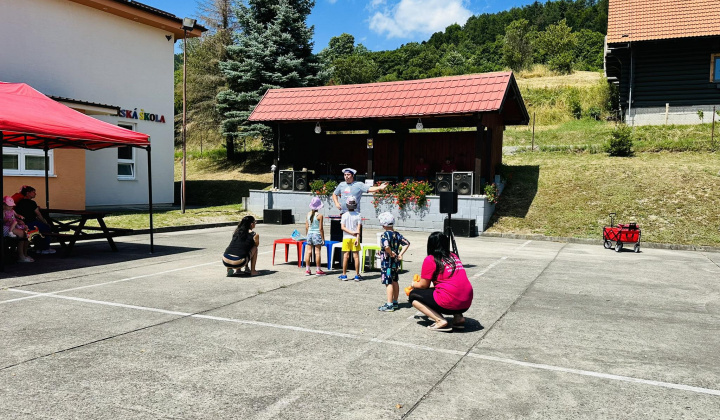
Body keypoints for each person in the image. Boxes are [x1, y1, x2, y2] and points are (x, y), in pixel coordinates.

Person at [408, 232, 473, 332]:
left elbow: (423, 285)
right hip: (466, 301)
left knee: (413, 296)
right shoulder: (453, 256)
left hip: (449, 301)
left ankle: (440, 320)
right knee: (449, 287)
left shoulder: (431, 259)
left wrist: (413, 284)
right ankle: (458, 318)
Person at [377, 212, 410, 312]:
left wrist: (390, 253)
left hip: (387, 262)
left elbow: (386, 246)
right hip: (395, 263)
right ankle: (395, 301)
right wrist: (400, 254)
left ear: (383, 225)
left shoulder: (384, 235)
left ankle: (389, 304)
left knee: (388, 282)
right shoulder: (397, 234)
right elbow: (407, 243)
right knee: (395, 280)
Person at [13, 186, 55, 254]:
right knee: (46, 228)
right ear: (28, 193)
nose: (35, 194)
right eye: (33, 192)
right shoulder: (31, 203)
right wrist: (45, 222)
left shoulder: (19, 202)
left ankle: (37, 248)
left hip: (22, 224)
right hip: (30, 223)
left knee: (38, 229)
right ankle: (44, 248)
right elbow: (38, 214)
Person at [3, 196, 33, 262]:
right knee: (21, 233)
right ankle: (21, 255)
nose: (11, 207)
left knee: (27, 232)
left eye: (11, 206)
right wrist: (8, 220)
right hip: (5, 227)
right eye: (9, 206)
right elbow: (3, 220)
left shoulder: (12, 211)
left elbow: (15, 217)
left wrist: (19, 221)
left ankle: (25, 253)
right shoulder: (3, 212)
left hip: (13, 225)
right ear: (4, 205)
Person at [339, 196, 362, 281]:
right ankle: (357, 274)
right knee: (356, 256)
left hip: (346, 238)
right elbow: (358, 229)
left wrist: (350, 232)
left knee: (346, 256)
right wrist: (357, 237)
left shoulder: (344, 215)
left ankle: (344, 274)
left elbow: (342, 227)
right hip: (355, 237)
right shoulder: (358, 215)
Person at [304, 197, 327, 276]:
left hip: (309, 234)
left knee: (308, 252)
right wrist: (323, 238)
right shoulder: (320, 216)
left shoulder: (308, 214)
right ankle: (318, 269)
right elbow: (321, 228)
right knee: (317, 252)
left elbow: (306, 226)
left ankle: (307, 269)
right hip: (317, 234)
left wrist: (307, 235)